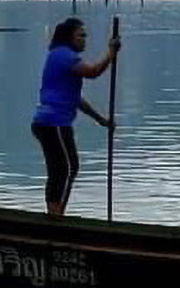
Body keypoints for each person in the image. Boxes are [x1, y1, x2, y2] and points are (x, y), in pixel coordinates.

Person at [31, 17, 119, 217]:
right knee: (64, 169)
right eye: (81, 35)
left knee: (67, 168)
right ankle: (55, 215)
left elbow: (76, 99)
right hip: (53, 123)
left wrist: (101, 120)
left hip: (54, 123)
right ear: (68, 37)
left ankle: (57, 213)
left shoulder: (59, 55)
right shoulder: (64, 56)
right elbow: (93, 72)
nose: (84, 39)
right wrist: (111, 53)